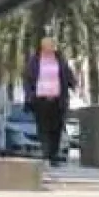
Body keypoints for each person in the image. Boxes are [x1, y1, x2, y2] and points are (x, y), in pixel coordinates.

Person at [22, 34, 76, 165]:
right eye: (48, 46)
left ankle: (53, 155)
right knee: (43, 128)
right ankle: (46, 155)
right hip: (41, 101)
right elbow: (28, 80)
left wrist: (73, 83)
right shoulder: (34, 61)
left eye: (52, 46)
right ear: (42, 47)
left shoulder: (60, 60)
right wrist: (30, 96)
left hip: (57, 101)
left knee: (56, 129)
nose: (51, 48)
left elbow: (68, 75)